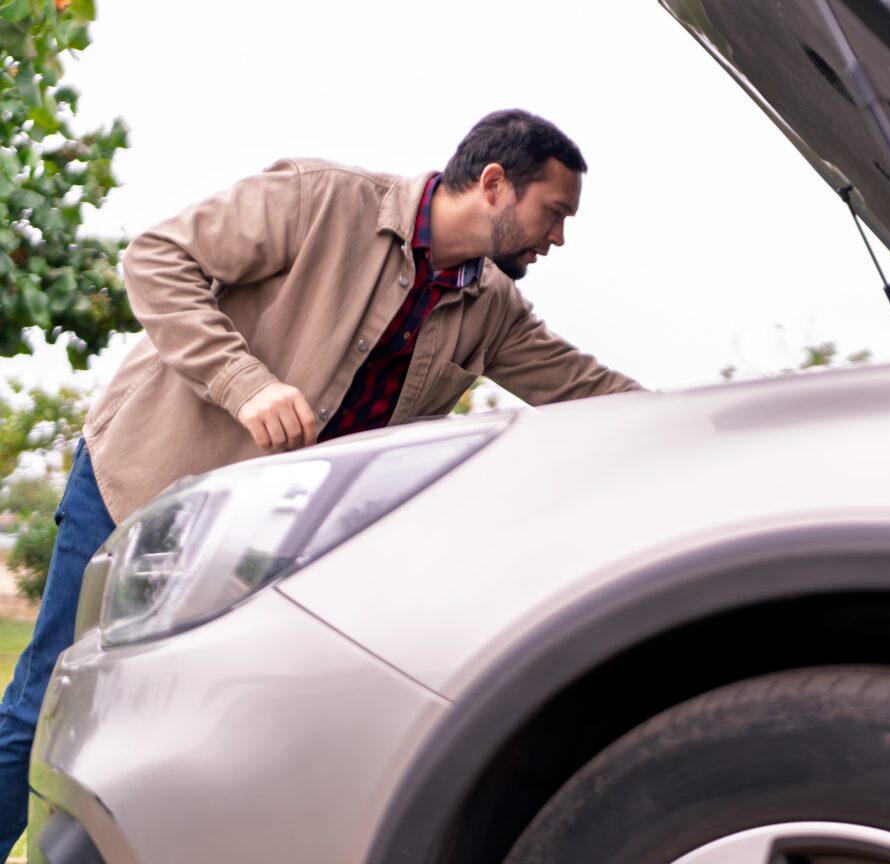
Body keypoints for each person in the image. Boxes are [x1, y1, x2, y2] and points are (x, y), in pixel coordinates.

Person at [0, 109, 643, 847]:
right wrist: (245, 383)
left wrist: (723, 425)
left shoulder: (491, 308)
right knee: (43, 703)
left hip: (265, 550)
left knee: (187, 741)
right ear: (495, 183)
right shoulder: (322, 201)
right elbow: (156, 259)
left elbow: (585, 388)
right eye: (553, 212)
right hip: (146, 480)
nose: (557, 237)